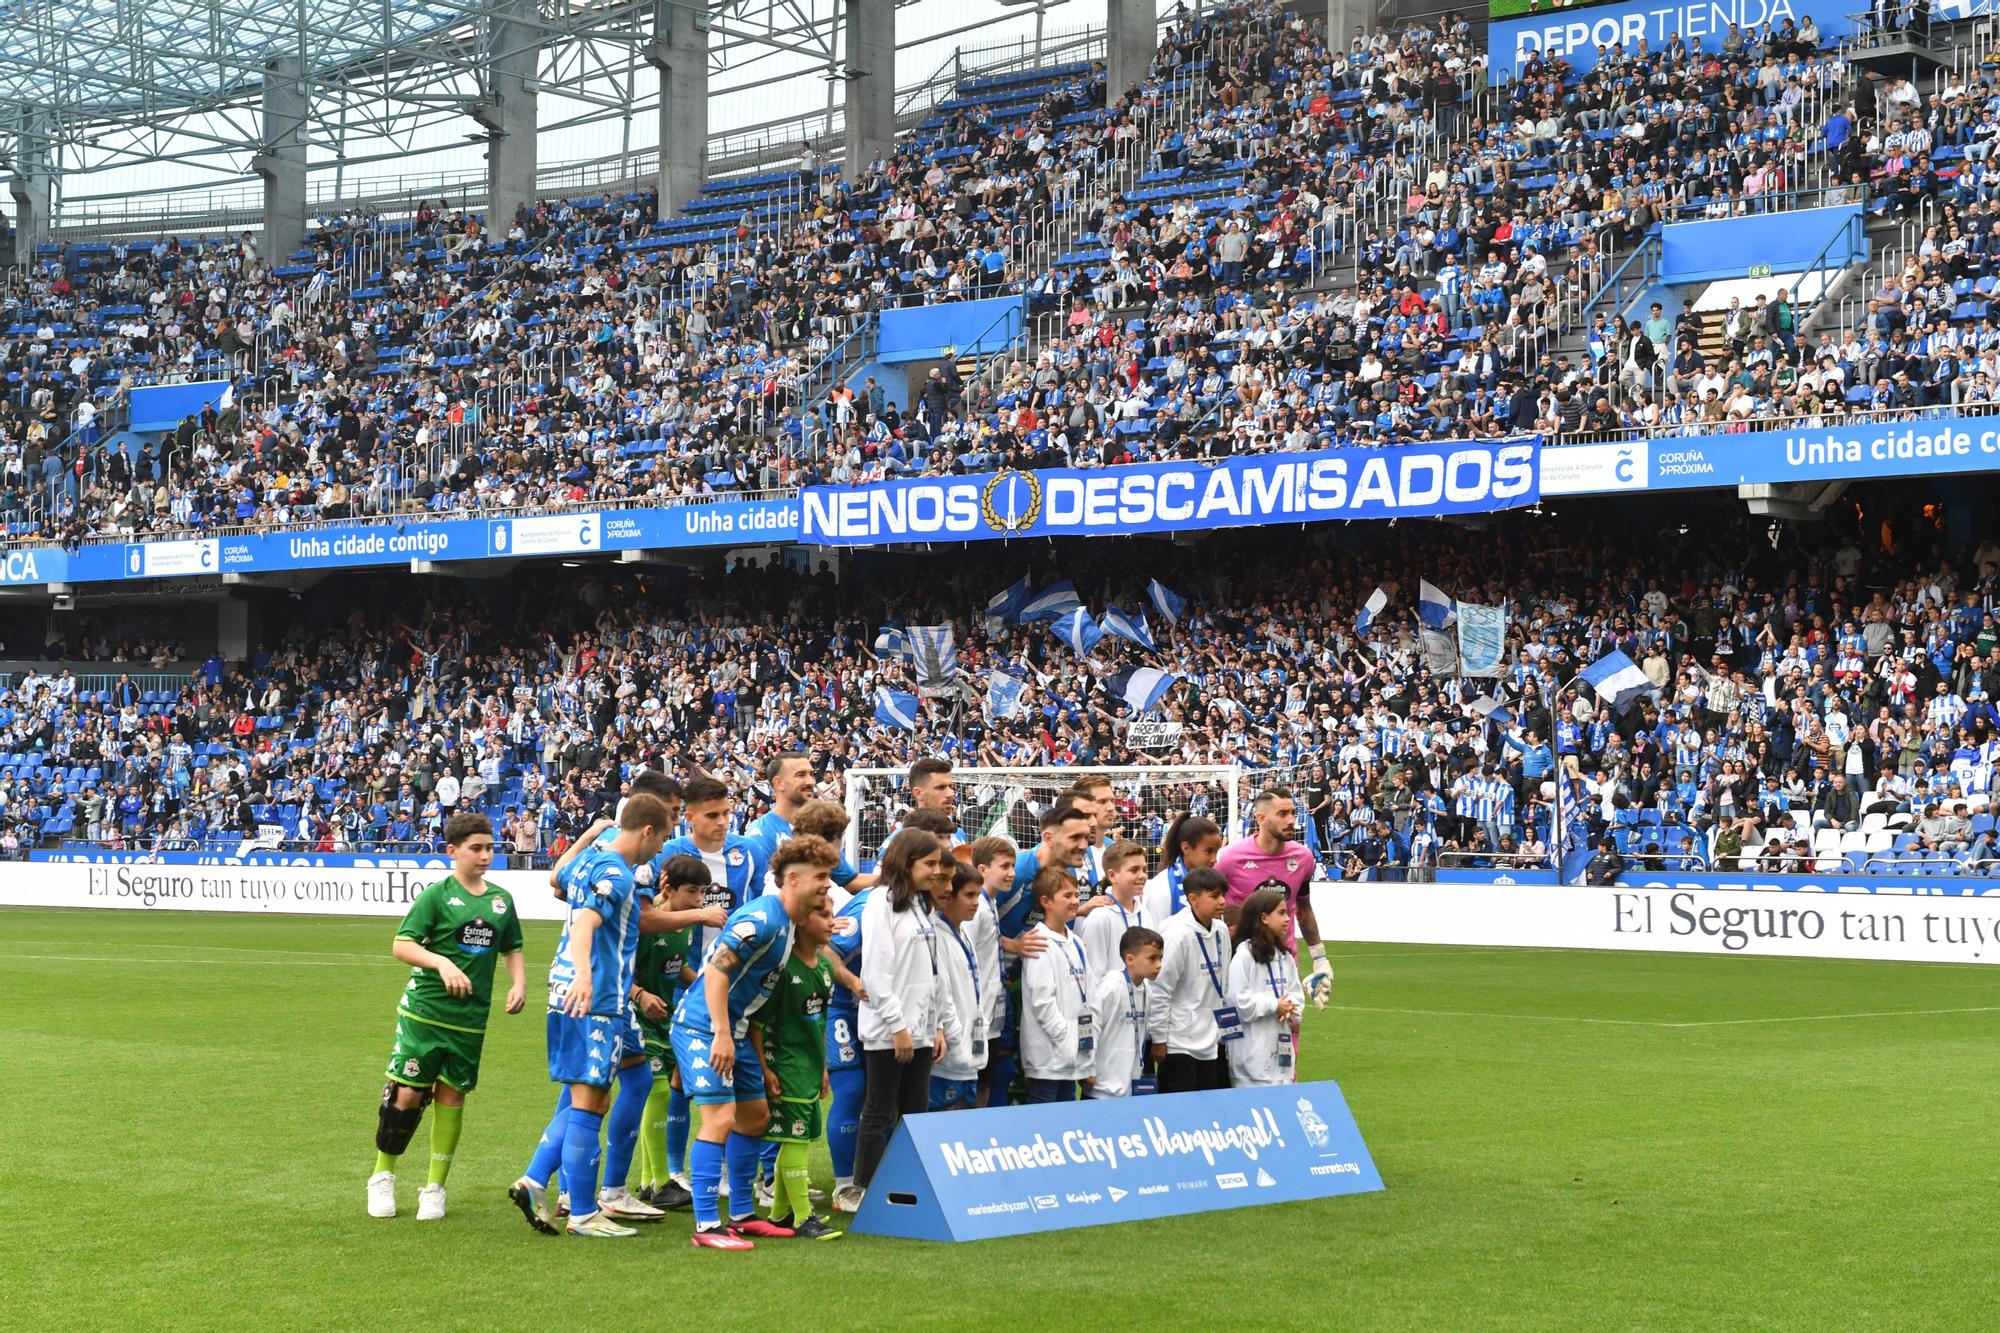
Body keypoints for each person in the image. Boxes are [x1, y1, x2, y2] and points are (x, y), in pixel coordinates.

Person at [507, 792, 672, 1238]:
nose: (660, 850)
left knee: (636, 1075)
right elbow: (583, 924)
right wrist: (585, 975)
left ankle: (538, 1179)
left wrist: (590, 833)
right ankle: (581, 1212)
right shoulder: (618, 876)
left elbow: (558, 877)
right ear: (647, 831)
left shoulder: (589, 859)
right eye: (662, 839)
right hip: (595, 996)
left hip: (591, 994)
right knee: (591, 1099)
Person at [671, 833, 839, 1249]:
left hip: (738, 1031)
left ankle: (743, 1214)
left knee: (756, 1117)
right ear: (794, 878)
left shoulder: (788, 923)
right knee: (720, 1119)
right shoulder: (762, 918)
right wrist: (722, 1033)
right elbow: (716, 973)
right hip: (702, 1027)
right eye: (821, 877)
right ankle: (707, 1226)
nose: (826, 885)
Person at [367, 812, 525, 1221]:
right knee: (407, 1093)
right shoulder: (437, 896)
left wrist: (519, 983)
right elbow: (402, 945)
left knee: (453, 1095)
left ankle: (434, 1187)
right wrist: (440, 962)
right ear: (452, 851)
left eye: (489, 847)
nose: (485, 855)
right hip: (425, 1012)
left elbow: (512, 948)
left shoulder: (501, 901)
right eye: (476, 848)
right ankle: (382, 1176)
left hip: (469, 1021)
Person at [847, 828, 953, 1211]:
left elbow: (931, 972)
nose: (936, 871)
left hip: (921, 1029)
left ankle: (907, 1188)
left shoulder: (922, 907)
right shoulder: (880, 901)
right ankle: (866, 1190)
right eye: (929, 864)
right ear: (906, 863)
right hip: (889, 1031)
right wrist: (898, 1027)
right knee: (879, 1109)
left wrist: (936, 1024)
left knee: (915, 1113)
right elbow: (875, 973)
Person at [750, 900, 841, 1240]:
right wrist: (764, 1068)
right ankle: (803, 1218)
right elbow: (757, 1023)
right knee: (795, 1137)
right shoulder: (782, 970)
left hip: (809, 1067)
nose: (833, 923)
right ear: (800, 922)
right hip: (783, 1065)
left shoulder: (825, 968)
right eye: (824, 915)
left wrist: (822, 1067)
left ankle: (778, 1215)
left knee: (795, 1137)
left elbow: (819, 1023)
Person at [631, 855, 707, 1210]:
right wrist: (640, 994)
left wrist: (707, 988)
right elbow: (616, 965)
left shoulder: (685, 925)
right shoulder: (645, 921)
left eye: (703, 892)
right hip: (636, 1014)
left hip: (666, 1017)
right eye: (692, 891)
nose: (699, 900)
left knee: (659, 1091)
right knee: (658, 1089)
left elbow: (677, 968)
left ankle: (649, 1181)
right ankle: (661, 1181)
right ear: (667, 888)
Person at [1216, 789, 1332, 1008]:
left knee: (1288, 1030)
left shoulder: (1303, 858)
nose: (1291, 821)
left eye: (1293, 813)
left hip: (1284, 961)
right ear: (1261, 818)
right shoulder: (1230, 859)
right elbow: (1212, 906)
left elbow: (1303, 909)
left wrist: (1320, 958)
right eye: (1282, 814)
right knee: (1247, 1038)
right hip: (1242, 963)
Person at [1147, 866, 1234, 1093]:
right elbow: (1160, 988)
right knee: (1178, 1113)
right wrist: (1158, 1039)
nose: (1222, 901)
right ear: (1193, 899)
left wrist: (1221, 1030)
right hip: (1178, 1042)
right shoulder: (1178, 933)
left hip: (1209, 1040)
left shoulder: (1221, 930)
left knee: (1208, 1112)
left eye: (1223, 894)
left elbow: (1222, 986)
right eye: (1214, 896)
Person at [1020, 867, 1095, 1103]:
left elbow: (1090, 995)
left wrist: (1085, 1046)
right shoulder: (1039, 942)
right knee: (1044, 1126)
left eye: (1076, 895)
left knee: (1067, 1124)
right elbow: (1043, 1002)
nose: (1075, 901)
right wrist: (1066, 1040)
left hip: (1073, 1056)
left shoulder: (1077, 943)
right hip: (1048, 1059)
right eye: (1067, 896)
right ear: (1046, 902)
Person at [1226, 888, 1304, 1087]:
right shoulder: (1244, 956)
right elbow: (1238, 1001)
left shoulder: (1285, 957)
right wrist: (1274, 1006)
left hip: (1281, 1055)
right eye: (1281, 913)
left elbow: (1296, 995)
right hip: (1250, 1061)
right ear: (1264, 918)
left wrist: (1290, 1007)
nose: (1287, 919)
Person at [968, 834, 1022, 1109]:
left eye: (1013, 866)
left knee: (986, 1085)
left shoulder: (989, 903)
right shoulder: (974, 907)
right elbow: (966, 957)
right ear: (983, 870)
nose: (1011, 873)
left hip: (990, 1014)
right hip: (975, 1016)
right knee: (974, 1087)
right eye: (1004, 866)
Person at [930, 862, 987, 1111]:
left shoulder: (963, 933)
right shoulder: (936, 935)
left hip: (969, 1053)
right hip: (950, 1058)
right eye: (969, 895)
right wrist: (957, 1043)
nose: (976, 902)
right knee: (941, 1124)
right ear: (949, 896)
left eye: (978, 895)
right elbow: (943, 996)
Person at [1089, 926, 1164, 1099]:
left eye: (1160, 958)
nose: (1159, 964)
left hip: (1132, 1088)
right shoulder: (1110, 988)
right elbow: (1091, 1028)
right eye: (1152, 958)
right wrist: (1088, 1069)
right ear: (1130, 959)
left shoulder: (1147, 989)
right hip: (1102, 1090)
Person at [1078, 840, 1152, 988]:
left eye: (1144, 869)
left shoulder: (1144, 913)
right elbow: (1094, 977)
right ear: (1112, 876)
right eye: (1134, 870)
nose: (1142, 875)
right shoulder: (1099, 917)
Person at [1143, 813, 1223, 921]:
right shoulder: (1162, 888)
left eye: (1216, 852)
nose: (1214, 859)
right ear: (1185, 848)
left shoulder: (1213, 882)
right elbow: (1156, 933)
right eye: (1209, 851)